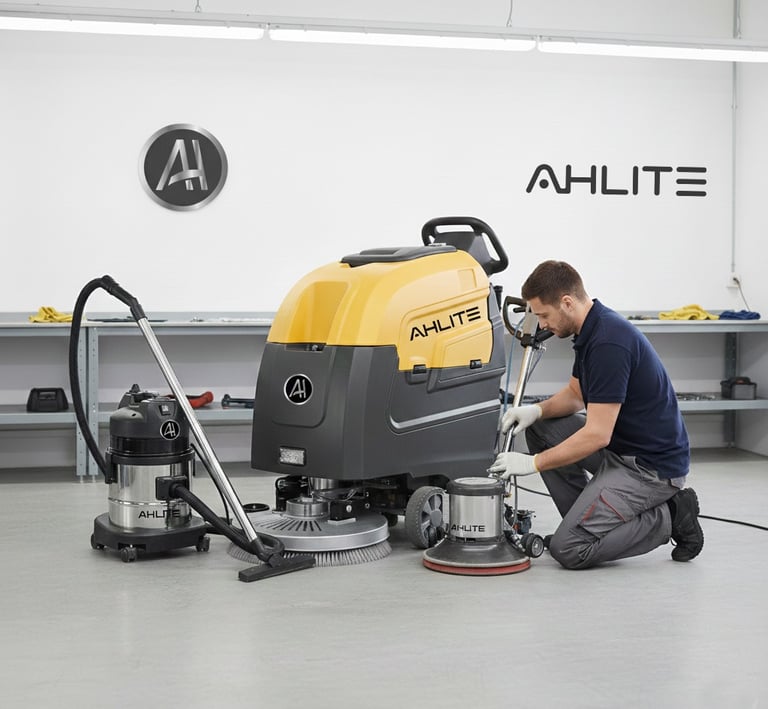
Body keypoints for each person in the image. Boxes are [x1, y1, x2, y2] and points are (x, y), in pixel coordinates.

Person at [488, 260, 704, 569]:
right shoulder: (590, 330)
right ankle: (584, 524)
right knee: (540, 428)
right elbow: (576, 395)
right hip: (621, 450)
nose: (542, 325)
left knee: (569, 549)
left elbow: (597, 435)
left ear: (567, 302)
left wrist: (532, 463)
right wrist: (535, 411)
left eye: (544, 315)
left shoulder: (609, 343)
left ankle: (672, 515)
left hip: (649, 469)